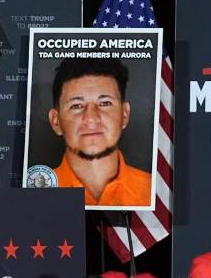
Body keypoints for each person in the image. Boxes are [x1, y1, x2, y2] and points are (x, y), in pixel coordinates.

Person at [43, 57, 152, 207]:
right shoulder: (36, 192)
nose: (91, 118)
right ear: (56, 121)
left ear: (124, 115)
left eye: (105, 103)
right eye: (76, 106)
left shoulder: (155, 191)